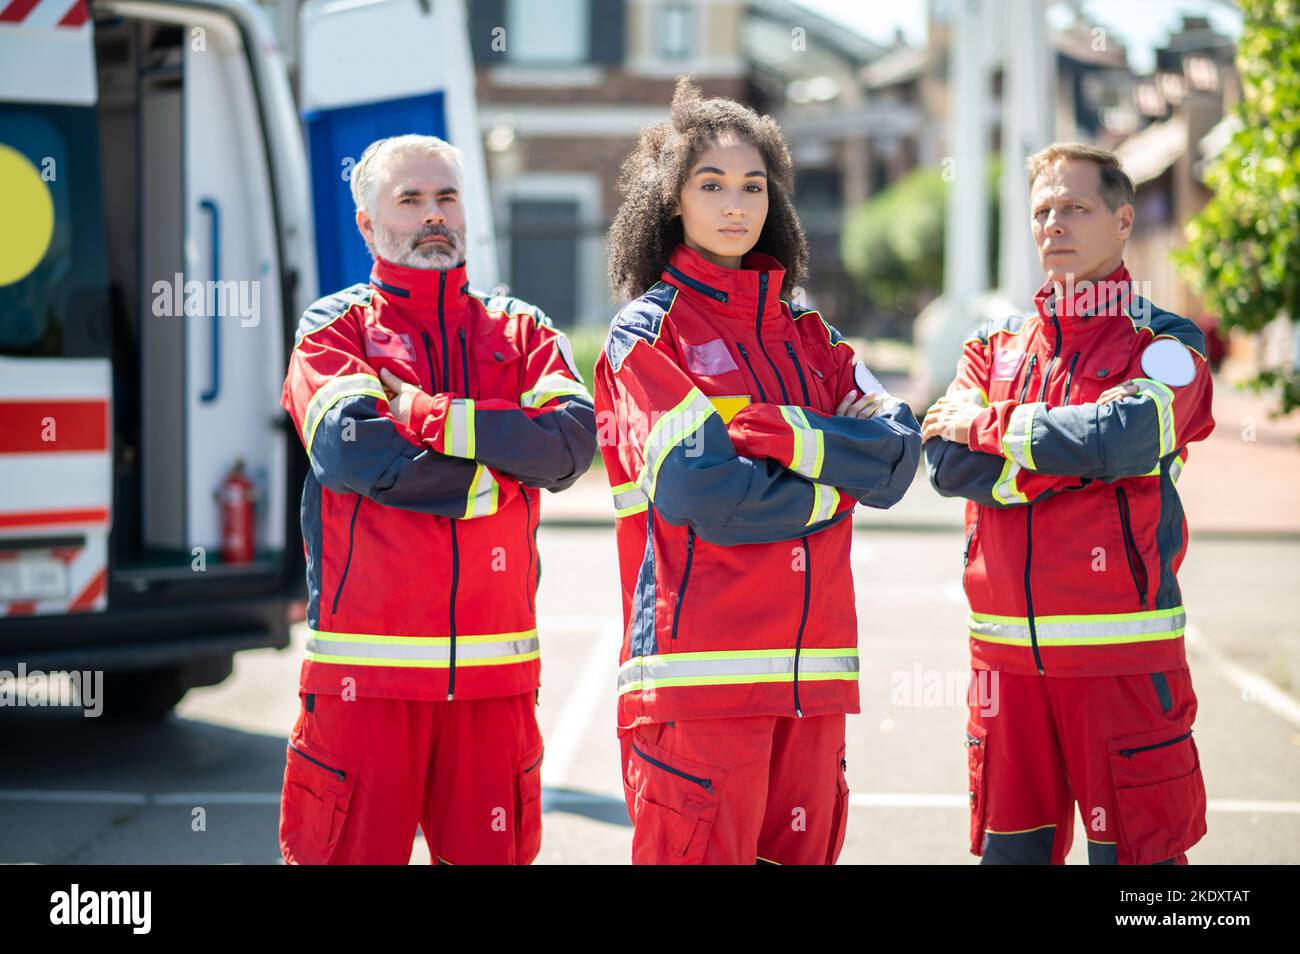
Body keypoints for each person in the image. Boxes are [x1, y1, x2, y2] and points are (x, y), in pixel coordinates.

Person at [595, 78, 922, 865]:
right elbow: (707, 494)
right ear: (672, 200)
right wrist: (833, 492)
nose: (736, 205)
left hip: (813, 689)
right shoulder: (646, 335)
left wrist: (793, 436)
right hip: (698, 688)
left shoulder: (812, 332)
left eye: (753, 186)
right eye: (711, 185)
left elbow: (899, 455)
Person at [278, 134, 597, 864]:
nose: (434, 217)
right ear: (367, 224)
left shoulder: (523, 329)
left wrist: (431, 415)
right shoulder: (334, 329)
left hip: (495, 682)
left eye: (447, 198)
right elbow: (359, 457)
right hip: (367, 682)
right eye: (411, 199)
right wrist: (498, 477)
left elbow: (572, 445)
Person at [923, 143, 1214, 865]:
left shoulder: (1167, 343)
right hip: (1005, 671)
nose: (1055, 223)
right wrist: (1070, 459)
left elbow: (1125, 437)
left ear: (1122, 222)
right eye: (1043, 210)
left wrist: (995, 431)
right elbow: (944, 459)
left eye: (1076, 207)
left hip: (1120, 663)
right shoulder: (991, 347)